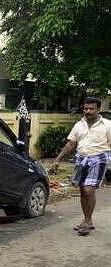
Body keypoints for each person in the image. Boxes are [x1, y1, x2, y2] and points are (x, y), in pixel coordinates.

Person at [51, 97, 111, 235]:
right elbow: (71, 144)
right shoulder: (79, 125)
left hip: (99, 158)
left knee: (89, 189)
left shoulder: (108, 125)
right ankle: (87, 220)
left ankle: (87, 221)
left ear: (99, 109)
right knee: (83, 190)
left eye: (91, 109)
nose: (88, 111)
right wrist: (57, 159)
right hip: (81, 159)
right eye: (86, 109)